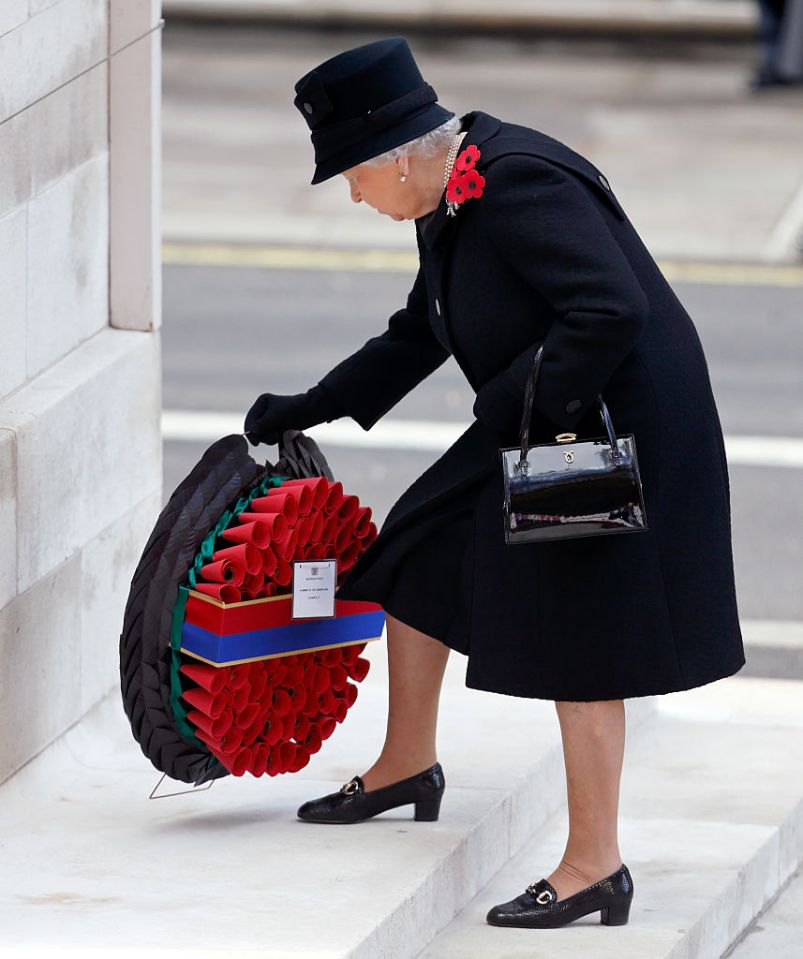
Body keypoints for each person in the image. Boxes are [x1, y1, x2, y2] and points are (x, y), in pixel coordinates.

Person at [244, 36, 746, 930]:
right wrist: (310, 405)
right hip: (542, 407)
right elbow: (420, 329)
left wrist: (507, 403)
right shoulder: (446, 193)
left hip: (608, 428)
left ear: (399, 155)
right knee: (415, 545)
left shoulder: (515, 184)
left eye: (354, 177)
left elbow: (609, 310)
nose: (354, 197)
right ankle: (406, 763)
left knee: (581, 634)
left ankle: (595, 863)